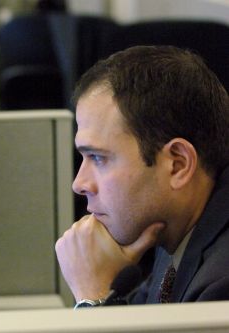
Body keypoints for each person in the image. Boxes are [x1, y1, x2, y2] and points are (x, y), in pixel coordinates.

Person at [55, 45, 229, 307]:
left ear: (178, 165)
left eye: (99, 158)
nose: (79, 184)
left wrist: (92, 298)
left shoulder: (219, 287)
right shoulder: (171, 227)